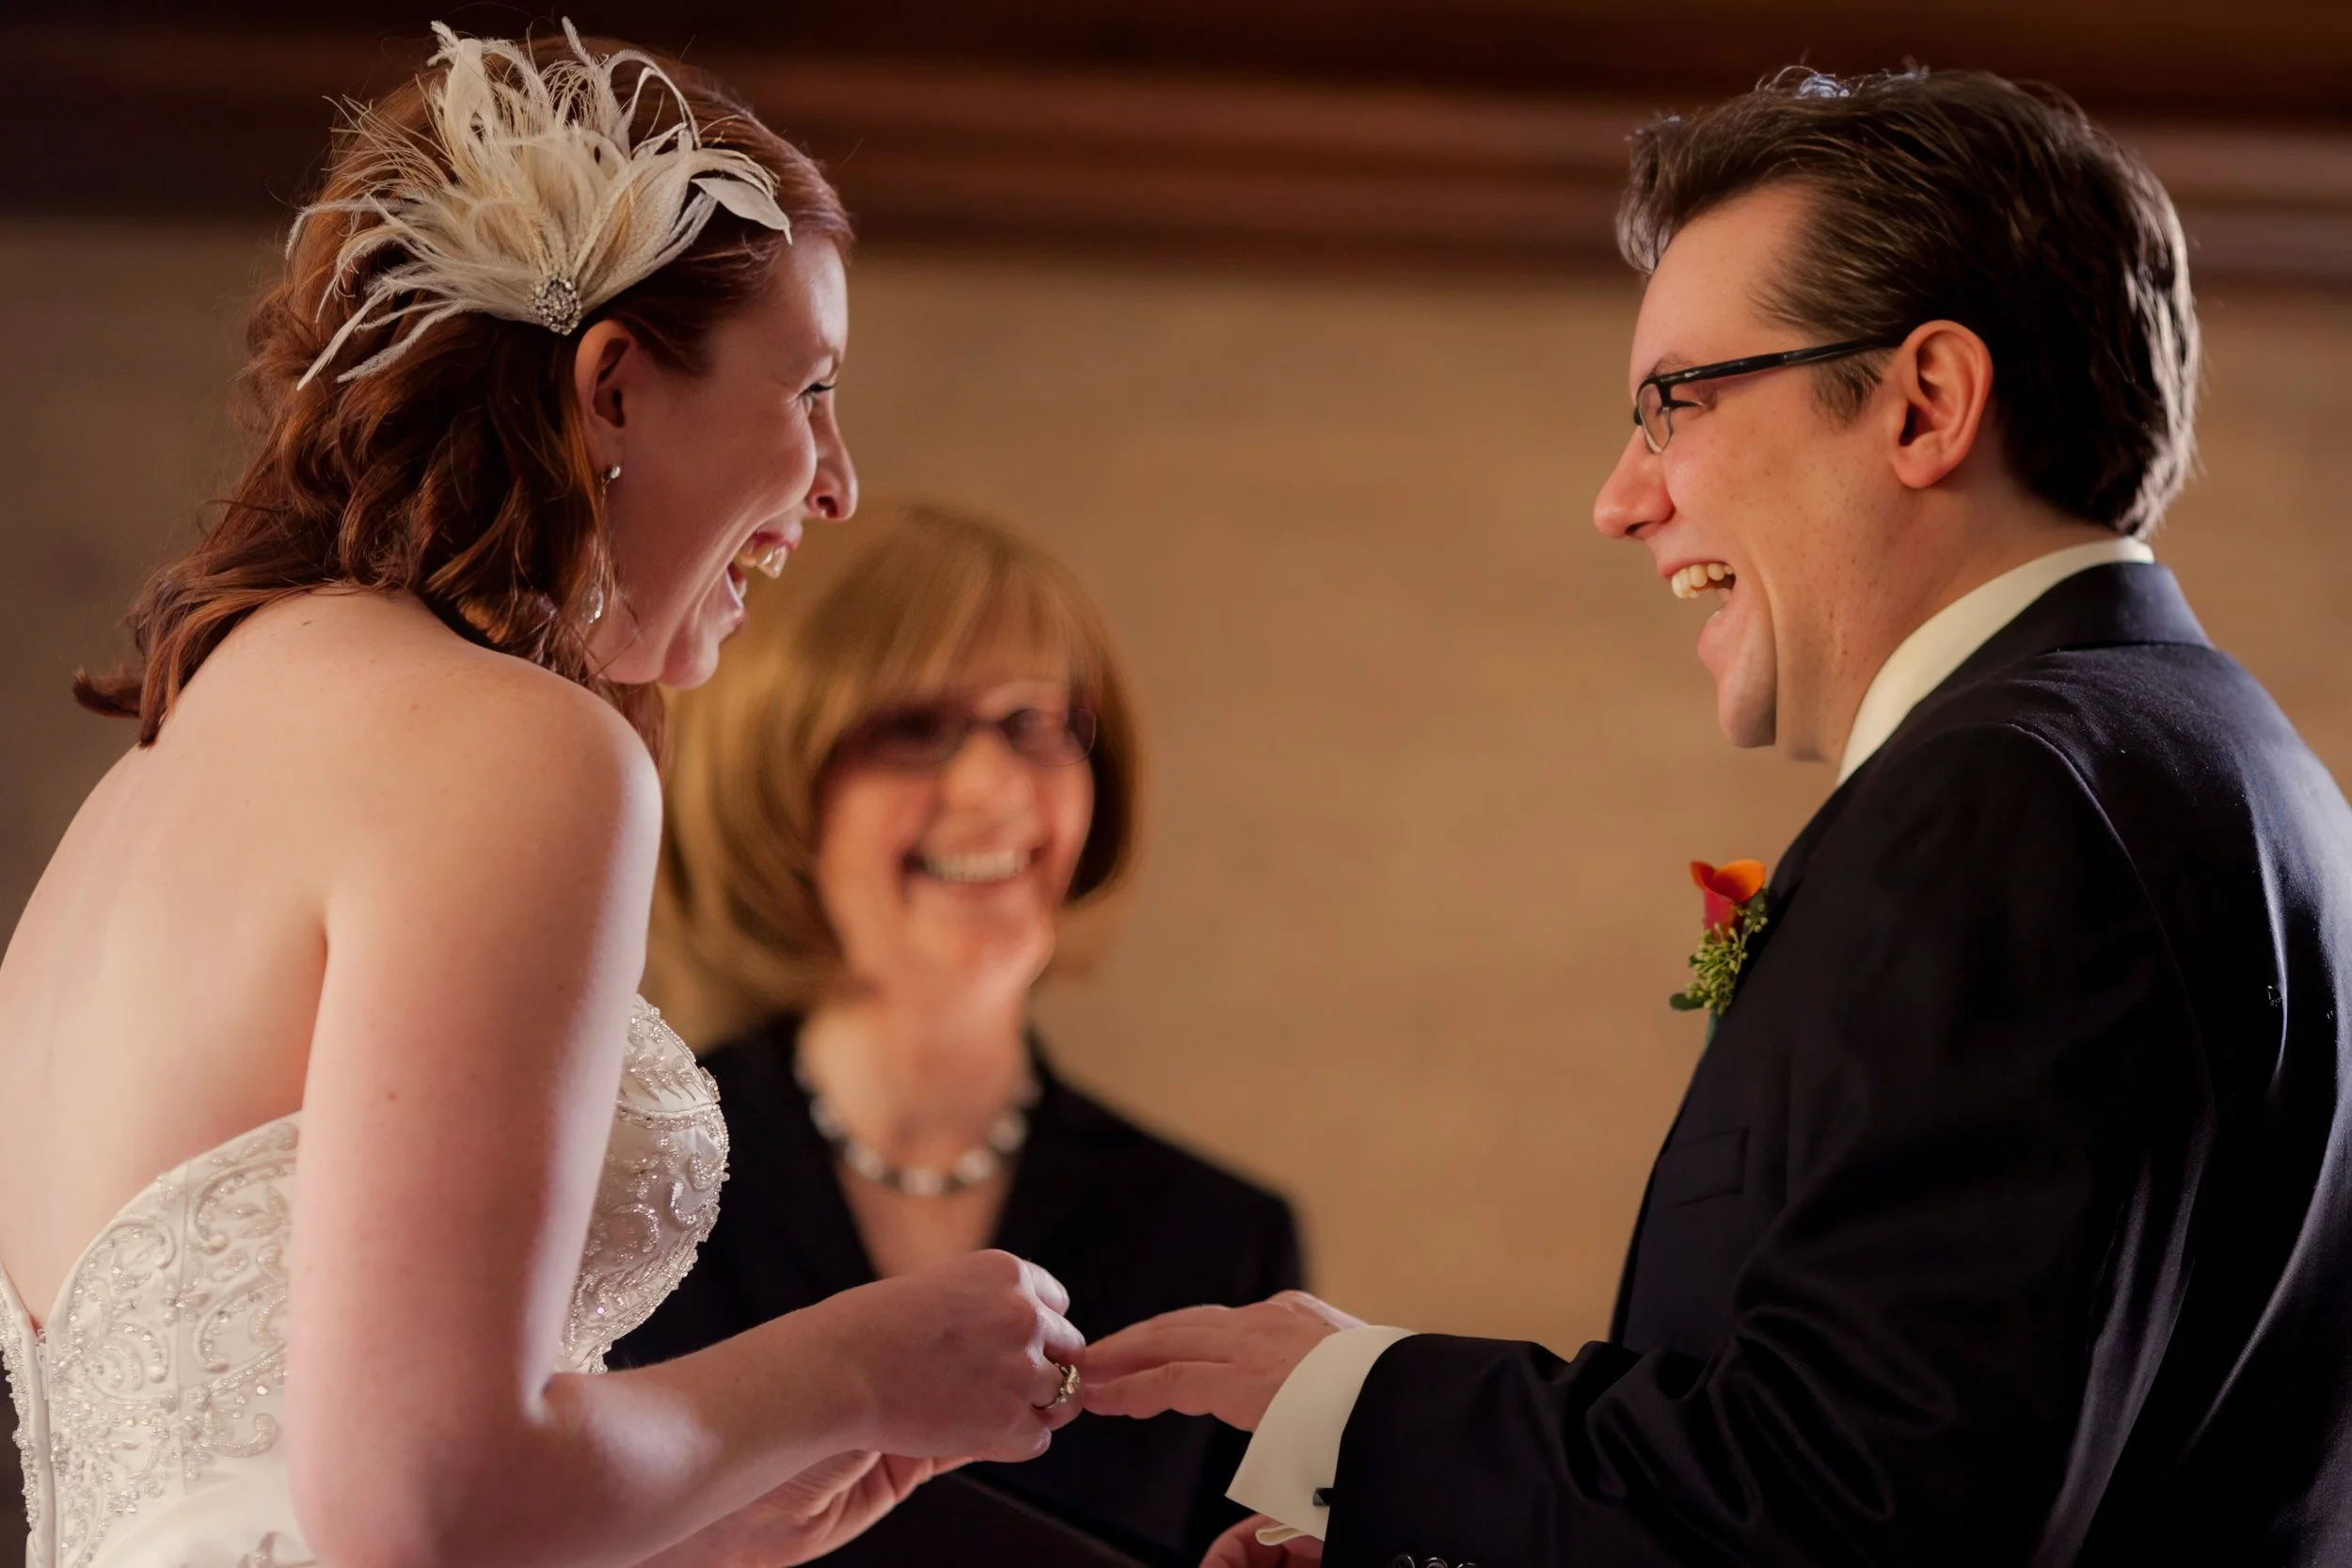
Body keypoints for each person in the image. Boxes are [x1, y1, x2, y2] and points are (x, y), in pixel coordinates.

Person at [1083, 67, 2352, 1568]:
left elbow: (1856, 1510)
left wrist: (1353, 1402)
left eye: (1674, 402)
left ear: (1925, 402)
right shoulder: (2232, 761)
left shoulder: (2008, 803)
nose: (1622, 497)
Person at [0, 26, 1087, 1568]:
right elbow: (429, 1502)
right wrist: (861, 1364)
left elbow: (275, 1494)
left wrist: (698, 1515)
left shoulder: (166, 762)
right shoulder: (514, 744)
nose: (839, 484)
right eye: (815, 390)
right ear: (616, 389)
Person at [612, 503, 1304, 1566]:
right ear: (779, 774)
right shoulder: (617, 1190)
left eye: (1039, 725)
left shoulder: (1220, 1235)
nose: (996, 788)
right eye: (916, 729)